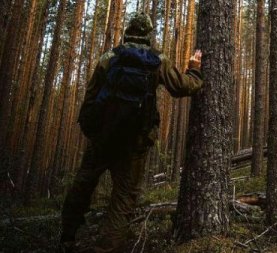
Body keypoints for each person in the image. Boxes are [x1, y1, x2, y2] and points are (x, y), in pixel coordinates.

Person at [60, 13, 203, 252]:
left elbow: (91, 96)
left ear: (128, 31)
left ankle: (67, 237)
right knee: (123, 199)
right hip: (134, 143)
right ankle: (105, 249)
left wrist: (92, 131)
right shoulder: (157, 59)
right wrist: (195, 71)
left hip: (102, 138)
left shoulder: (110, 57)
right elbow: (182, 87)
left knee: (83, 184)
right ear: (148, 34)